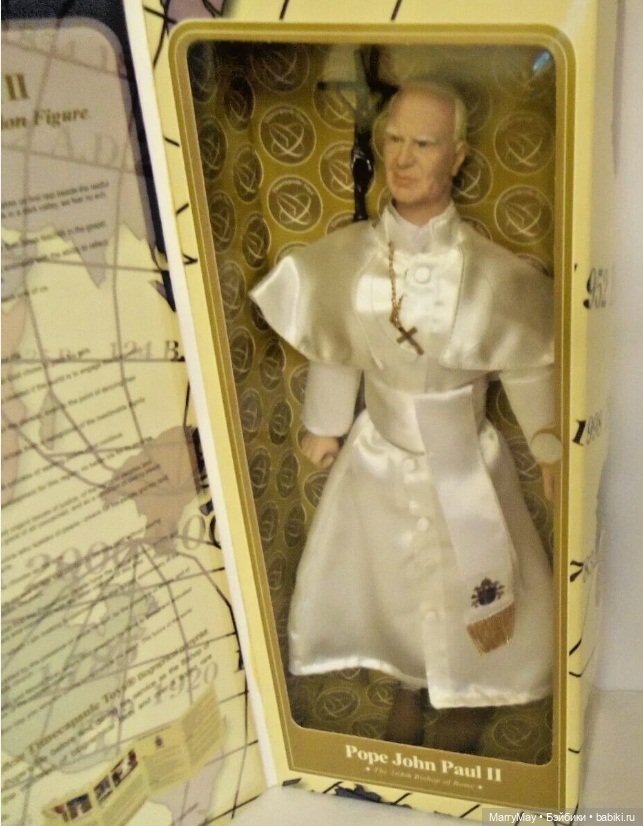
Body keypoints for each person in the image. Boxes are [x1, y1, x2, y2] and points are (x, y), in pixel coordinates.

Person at [251, 83, 560, 747]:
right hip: (379, 456)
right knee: (392, 580)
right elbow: (337, 347)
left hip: (464, 460)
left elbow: (525, 361)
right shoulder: (351, 258)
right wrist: (326, 425)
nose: (402, 158)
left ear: (457, 156)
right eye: (392, 140)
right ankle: (410, 681)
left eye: (423, 143)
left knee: (466, 578)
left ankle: (472, 690)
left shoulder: (489, 271)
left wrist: (547, 444)